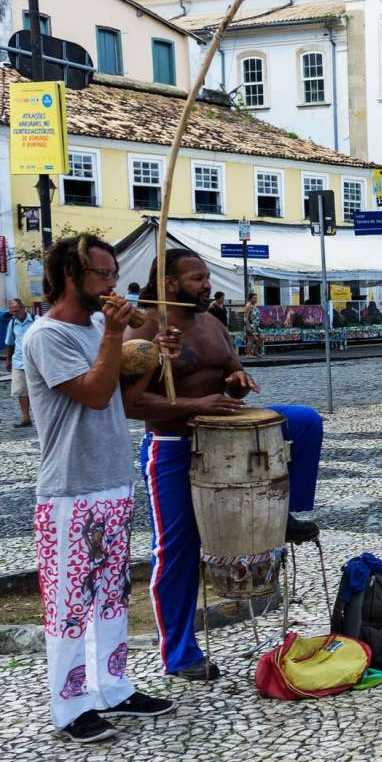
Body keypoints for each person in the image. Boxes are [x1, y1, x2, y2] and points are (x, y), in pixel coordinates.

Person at [123, 249, 324, 682]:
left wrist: (238, 382)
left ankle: (290, 513)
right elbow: (131, 404)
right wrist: (197, 402)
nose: (206, 285)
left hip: (227, 432)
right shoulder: (143, 326)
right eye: (196, 278)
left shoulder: (213, 323)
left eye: (207, 276)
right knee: (176, 550)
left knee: (305, 422)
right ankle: (179, 653)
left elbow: (234, 377)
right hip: (175, 443)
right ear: (169, 282)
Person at [23, 234, 181, 742]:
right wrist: (115, 335)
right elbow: (91, 395)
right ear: (73, 276)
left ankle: (113, 686)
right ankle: (69, 707)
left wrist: (155, 357)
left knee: (111, 596)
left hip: (112, 480)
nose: (114, 284)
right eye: (104, 274)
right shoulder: (46, 336)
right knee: (69, 604)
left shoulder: (96, 325)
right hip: (70, 490)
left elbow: (122, 400)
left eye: (114, 274)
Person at [5, 297, 35, 427]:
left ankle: (42, 417)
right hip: (18, 360)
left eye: (16, 310)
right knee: (21, 391)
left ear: (23, 308)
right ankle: (26, 418)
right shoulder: (12, 323)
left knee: (38, 390)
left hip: (35, 362)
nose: (14, 313)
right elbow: (10, 343)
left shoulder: (36, 320)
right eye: (12, 311)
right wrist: (8, 359)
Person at [242, 292, 262, 357]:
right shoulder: (248, 306)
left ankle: (255, 351)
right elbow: (246, 318)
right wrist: (248, 327)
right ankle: (248, 354)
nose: (256, 299)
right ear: (250, 298)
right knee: (251, 340)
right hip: (251, 325)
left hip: (256, 326)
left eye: (256, 298)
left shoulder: (253, 305)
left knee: (261, 338)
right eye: (254, 298)